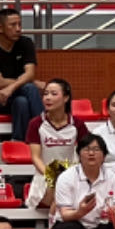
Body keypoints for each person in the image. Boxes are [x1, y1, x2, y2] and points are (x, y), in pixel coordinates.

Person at [0, 6, 44, 142]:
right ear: (0, 28)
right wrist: (29, 83)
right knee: (30, 88)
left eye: (20, 24)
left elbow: (30, 73)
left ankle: (19, 142)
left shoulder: (26, 43)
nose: (18, 29)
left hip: (16, 95)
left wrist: (12, 87)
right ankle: (44, 133)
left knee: (21, 102)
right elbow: (0, 83)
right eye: (13, 25)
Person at [23, 79, 84, 209]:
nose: (48, 98)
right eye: (45, 94)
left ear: (66, 98)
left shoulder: (77, 124)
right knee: (56, 192)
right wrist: (52, 176)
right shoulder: (36, 124)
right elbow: (35, 157)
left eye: (53, 94)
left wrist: (68, 176)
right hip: (45, 177)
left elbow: (85, 152)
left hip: (71, 176)